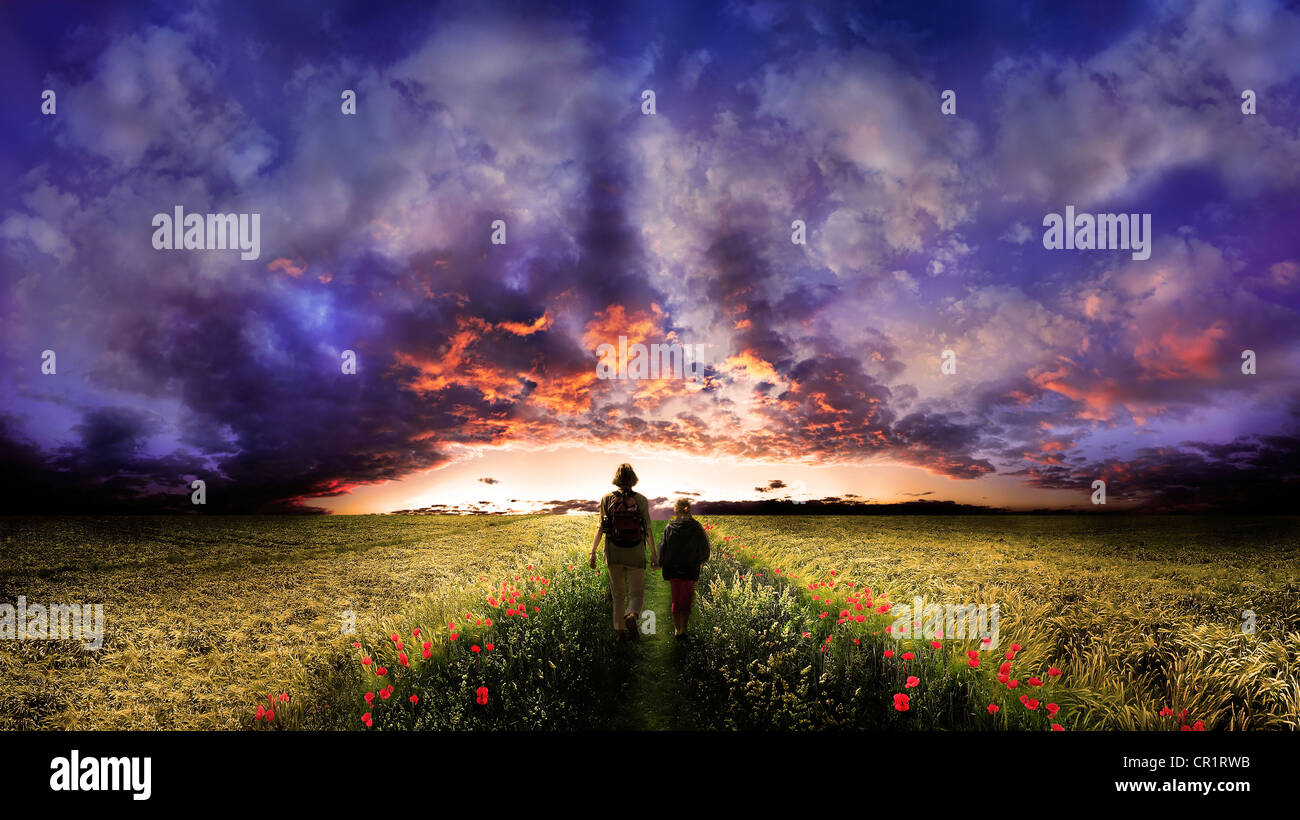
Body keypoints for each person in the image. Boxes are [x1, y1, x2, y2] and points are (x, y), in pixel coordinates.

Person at [590, 463, 657, 642]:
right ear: (633, 479)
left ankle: (620, 633)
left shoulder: (606, 499)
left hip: (614, 553)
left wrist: (593, 552)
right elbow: (648, 529)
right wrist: (654, 554)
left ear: (617, 478)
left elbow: (600, 528)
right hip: (635, 552)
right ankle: (632, 616)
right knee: (637, 594)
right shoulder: (641, 500)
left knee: (618, 595)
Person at [657, 497, 710, 640]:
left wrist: (660, 562)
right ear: (689, 509)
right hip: (690, 569)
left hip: (673, 569)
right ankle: (684, 630)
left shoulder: (670, 527)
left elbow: (663, 547)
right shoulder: (697, 527)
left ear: (677, 510)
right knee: (686, 599)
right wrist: (702, 559)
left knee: (676, 599)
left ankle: (677, 629)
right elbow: (705, 548)